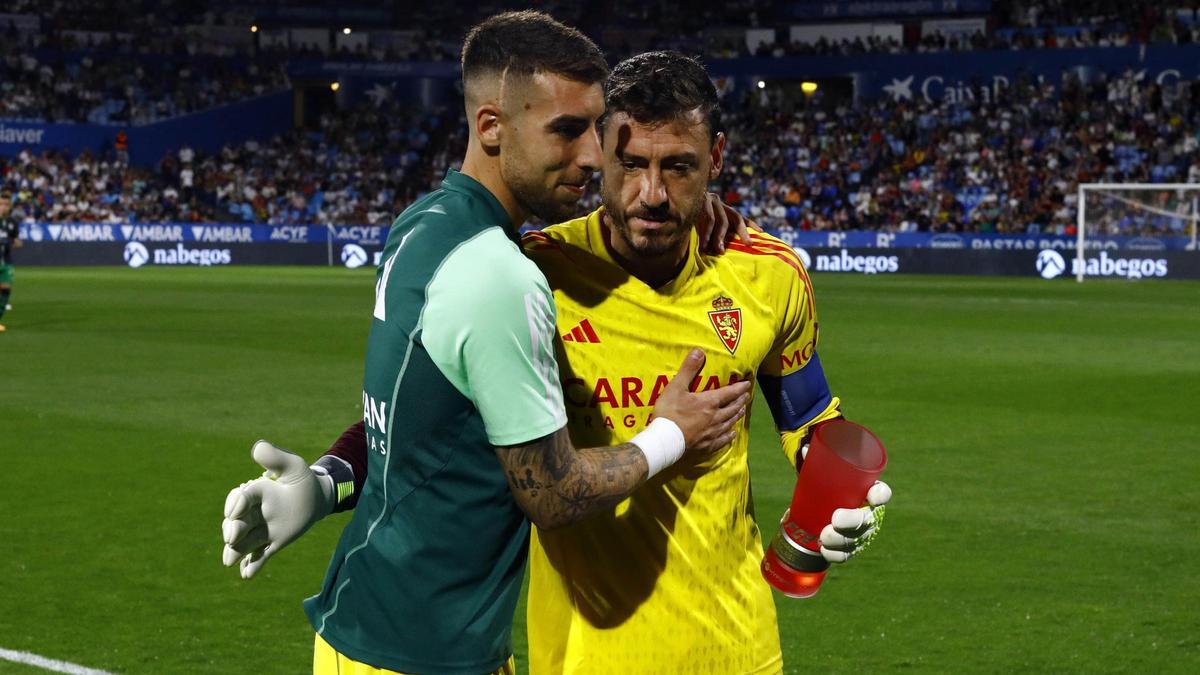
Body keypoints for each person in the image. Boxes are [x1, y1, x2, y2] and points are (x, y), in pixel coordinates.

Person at [223, 51, 893, 673]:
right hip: (577, 655)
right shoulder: (533, 274)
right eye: (631, 164)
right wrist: (324, 482)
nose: (652, 194)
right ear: (598, 151)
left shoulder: (770, 276)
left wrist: (841, 498)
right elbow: (426, 419)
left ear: (716, 157)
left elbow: (810, 413)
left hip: (737, 648)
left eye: (679, 166)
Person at [0, 193, 19, 332]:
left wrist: (16, 242)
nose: (3, 207)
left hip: (6, 261)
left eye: (6, 204)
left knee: (6, 289)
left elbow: (15, 240)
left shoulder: (12, 223)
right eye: (1, 204)